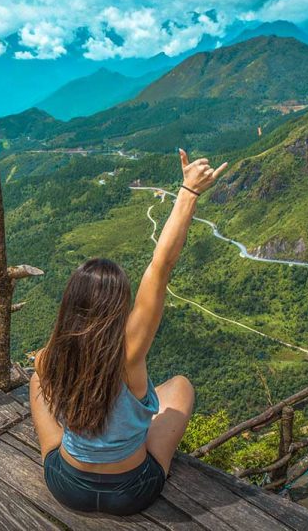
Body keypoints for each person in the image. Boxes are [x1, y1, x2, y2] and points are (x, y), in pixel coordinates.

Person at [30, 148, 228, 515]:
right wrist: (189, 192)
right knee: (180, 385)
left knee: (37, 380)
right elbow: (161, 264)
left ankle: (69, 451)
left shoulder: (50, 358)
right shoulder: (129, 355)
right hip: (133, 492)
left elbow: (56, 368)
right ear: (120, 307)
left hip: (66, 487)